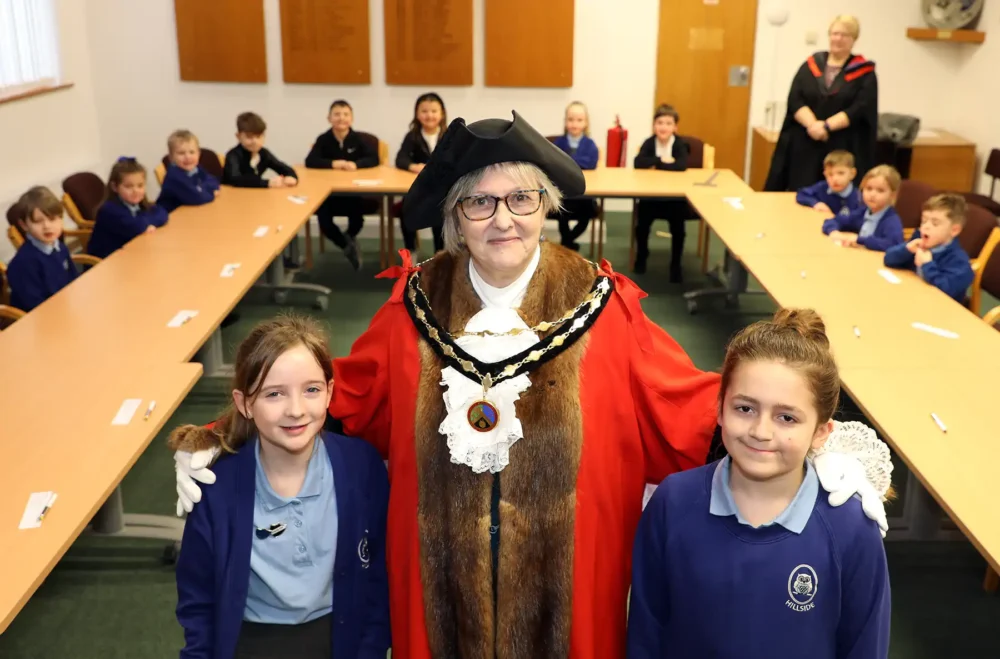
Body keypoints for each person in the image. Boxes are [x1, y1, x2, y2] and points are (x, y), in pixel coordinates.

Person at [172, 111, 889, 659]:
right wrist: (219, 443)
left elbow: (695, 405)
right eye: (479, 203)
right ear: (455, 218)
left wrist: (826, 454)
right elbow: (335, 402)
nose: (502, 218)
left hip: (568, 605)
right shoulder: (410, 311)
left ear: (545, 206)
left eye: (520, 197)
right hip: (437, 597)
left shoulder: (605, 308)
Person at [628, 309, 891, 658]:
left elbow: (864, 646)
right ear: (720, 409)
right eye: (745, 409)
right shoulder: (673, 503)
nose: (761, 432)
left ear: (821, 432)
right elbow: (647, 632)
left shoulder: (851, 528)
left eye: (787, 418)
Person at [173, 316, 390, 659]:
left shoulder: (361, 466)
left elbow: (378, 578)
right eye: (274, 394)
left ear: (331, 392)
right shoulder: (217, 487)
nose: (296, 410)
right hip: (250, 642)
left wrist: (371, 650)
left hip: (340, 638)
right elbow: (198, 599)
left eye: (312, 390)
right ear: (244, 404)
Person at [764, 15, 877, 192]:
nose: (838, 38)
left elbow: (860, 108)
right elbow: (795, 99)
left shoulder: (864, 72)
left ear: (854, 39)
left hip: (841, 144)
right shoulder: (811, 64)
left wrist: (826, 126)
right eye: (835, 33)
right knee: (800, 191)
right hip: (805, 143)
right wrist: (813, 126)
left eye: (845, 35)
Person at [306, 100, 379, 270]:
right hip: (329, 195)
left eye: (346, 114)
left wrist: (357, 165)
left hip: (353, 193)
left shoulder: (358, 139)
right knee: (323, 219)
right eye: (337, 114)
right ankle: (346, 246)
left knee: (358, 220)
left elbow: (373, 158)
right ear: (329, 118)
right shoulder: (323, 139)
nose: (341, 118)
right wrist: (333, 164)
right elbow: (310, 161)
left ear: (351, 118)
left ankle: (348, 237)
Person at [633, 103, 694, 281]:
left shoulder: (680, 144)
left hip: (674, 200)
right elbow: (638, 162)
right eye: (660, 123)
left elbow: (681, 165)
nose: (663, 127)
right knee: (642, 226)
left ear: (675, 127)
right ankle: (641, 257)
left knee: (678, 229)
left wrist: (656, 164)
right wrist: (662, 160)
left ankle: (676, 264)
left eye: (668, 123)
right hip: (651, 198)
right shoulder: (649, 142)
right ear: (654, 126)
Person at [884, 193, 974, 302]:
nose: (926, 227)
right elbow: (888, 259)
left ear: (954, 230)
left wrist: (927, 265)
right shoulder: (918, 239)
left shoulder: (959, 262)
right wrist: (906, 249)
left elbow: (944, 291)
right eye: (924, 221)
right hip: (912, 297)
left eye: (935, 224)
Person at [6, 187, 79, 311]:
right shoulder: (22, 264)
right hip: (42, 319)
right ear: (24, 225)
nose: (47, 227)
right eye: (38, 221)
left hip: (66, 306)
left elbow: (75, 279)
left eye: (53, 219)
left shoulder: (60, 247)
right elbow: (35, 306)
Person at [395, 92, 447, 254]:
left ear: (442, 114)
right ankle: (411, 252)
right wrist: (413, 166)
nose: (429, 115)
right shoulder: (413, 136)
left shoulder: (449, 136)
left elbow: (459, 159)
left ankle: (440, 254)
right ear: (417, 114)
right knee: (406, 208)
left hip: (442, 191)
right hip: (418, 189)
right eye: (424, 111)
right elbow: (400, 159)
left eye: (434, 111)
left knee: (440, 212)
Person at [87, 158, 168, 259]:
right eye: (128, 186)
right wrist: (147, 223)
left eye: (140, 186)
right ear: (115, 187)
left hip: (130, 254)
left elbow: (162, 212)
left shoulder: (138, 203)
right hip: (107, 263)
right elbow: (137, 227)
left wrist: (147, 223)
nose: (135, 191)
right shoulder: (109, 210)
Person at [550, 101, 599, 251]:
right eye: (571, 120)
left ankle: (567, 242)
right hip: (564, 193)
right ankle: (569, 243)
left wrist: (569, 161)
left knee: (587, 215)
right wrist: (577, 162)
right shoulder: (559, 142)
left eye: (579, 120)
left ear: (586, 123)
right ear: (565, 122)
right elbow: (555, 161)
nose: (574, 124)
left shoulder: (590, 144)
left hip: (584, 193)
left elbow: (590, 162)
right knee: (561, 214)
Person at [822, 165, 903, 252]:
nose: (872, 194)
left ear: (892, 195)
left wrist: (859, 240)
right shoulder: (862, 212)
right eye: (868, 189)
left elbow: (893, 245)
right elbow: (833, 221)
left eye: (880, 190)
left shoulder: (891, 220)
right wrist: (833, 231)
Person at [223, 112, 299, 189]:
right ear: (238, 136)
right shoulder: (233, 155)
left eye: (259, 136)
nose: (255, 141)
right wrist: (267, 183)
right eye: (249, 137)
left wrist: (291, 177)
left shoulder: (263, 153)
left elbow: (282, 167)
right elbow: (235, 179)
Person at [157, 129, 221, 213]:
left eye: (192, 152)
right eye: (181, 153)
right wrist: (211, 192)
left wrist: (202, 189)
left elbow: (213, 180)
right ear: (171, 157)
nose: (187, 157)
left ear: (198, 154)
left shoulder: (195, 168)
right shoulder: (174, 176)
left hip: (190, 210)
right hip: (172, 216)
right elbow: (198, 198)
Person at [795, 150, 862, 218]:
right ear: (825, 174)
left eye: (841, 173)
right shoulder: (822, 187)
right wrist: (816, 204)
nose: (835, 179)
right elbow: (802, 194)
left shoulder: (859, 197)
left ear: (852, 174)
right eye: (830, 174)